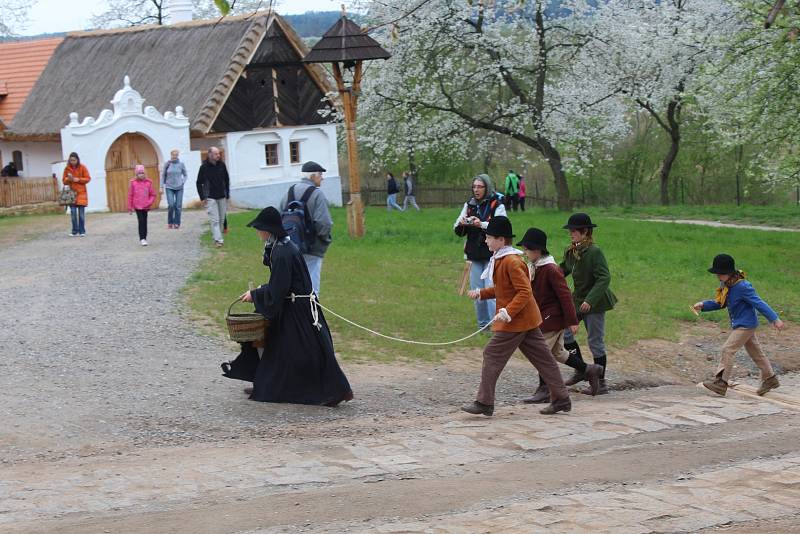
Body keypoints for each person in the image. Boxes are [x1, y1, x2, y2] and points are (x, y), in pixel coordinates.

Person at [231, 206, 353, 406]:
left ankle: (328, 391)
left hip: (297, 309)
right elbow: (282, 282)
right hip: (295, 305)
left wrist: (254, 294)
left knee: (304, 351)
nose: (257, 232)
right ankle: (267, 384)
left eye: (259, 228)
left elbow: (279, 290)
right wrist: (262, 289)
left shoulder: (282, 252)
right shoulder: (281, 247)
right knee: (281, 350)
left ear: (268, 230)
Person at [462, 216, 572, 416]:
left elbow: (524, 292)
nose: (486, 241)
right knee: (544, 359)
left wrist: (507, 312)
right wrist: (482, 293)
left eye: (489, 238)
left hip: (517, 321)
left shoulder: (512, 261)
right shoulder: (501, 259)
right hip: (526, 320)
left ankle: (485, 402)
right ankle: (562, 398)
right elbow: (504, 289)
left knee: (491, 354)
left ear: (501, 240)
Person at [517, 228, 602, 402]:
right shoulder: (535, 267)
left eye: (527, 249)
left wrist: (572, 321)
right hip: (545, 315)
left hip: (552, 318)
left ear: (537, 250)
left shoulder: (551, 269)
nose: (525, 253)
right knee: (558, 352)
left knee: (541, 352)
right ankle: (589, 370)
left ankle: (544, 389)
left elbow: (565, 296)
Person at [693, 254, 785, 396]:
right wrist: (703, 305)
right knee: (756, 353)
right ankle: (770, 379)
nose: (717, 276)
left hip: (745, 325)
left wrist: (775, 319)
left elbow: (759, 303)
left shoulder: (742, 286)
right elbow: (721, 303)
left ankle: (721, 383)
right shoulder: (726, 285)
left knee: (727, 350)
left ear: (728, 273)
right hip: (741, 325)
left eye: (719, 273)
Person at [560, 213, 617, 395]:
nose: (571, 234)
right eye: (570, 231)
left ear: (585, 231)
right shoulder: (572, 251)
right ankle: (581, 370)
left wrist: (590, 301)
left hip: (596, 301)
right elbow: (564, 269)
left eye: (574, 231)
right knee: (566, 334)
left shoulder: (594, 251)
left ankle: (601, 383)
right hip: (579, 300)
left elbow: (604, 277)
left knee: (595, 341)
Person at [454, 174, 506, 329]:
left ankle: (496, 325)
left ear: (487, 187)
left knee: (491, 292)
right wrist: (463, 223)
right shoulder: (469, 205)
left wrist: (481, 224)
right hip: (474, 254)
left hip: (493, 255)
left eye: (480, 187)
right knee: (477, 292)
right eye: (474, 186)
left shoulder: (497, 204)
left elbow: (502, 226)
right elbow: (456, 226)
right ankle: (483, 326)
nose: (476, 190)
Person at [280, 161, 333, 295]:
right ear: (313, 176)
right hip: (312, 247)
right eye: (320, 174)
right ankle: (312, 314)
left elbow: (279, 216)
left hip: (290, 245)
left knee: (294, 284)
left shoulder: (289, 192)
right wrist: (324, 239)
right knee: (312, 287)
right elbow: (324, 223)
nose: (322, 177)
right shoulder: (317, 194)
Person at [196, 147, 230, 247]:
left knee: (221, 219)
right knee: (215, 219)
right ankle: (219, 240)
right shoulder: (204, 167)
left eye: (219, 154)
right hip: (210, 196)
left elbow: (227, 180)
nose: (218, 156)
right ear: (210, 154)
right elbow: (198, 183)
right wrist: (202, 197)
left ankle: (216, 237)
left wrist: (227, 194)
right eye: (216, 154)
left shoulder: (222, 165)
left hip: (222, 195)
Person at [62, 152, 91, 237]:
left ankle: (82, 231)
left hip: (81, 193)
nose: (72, 162)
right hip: (71, 194)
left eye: (74, 160)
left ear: (77, 159)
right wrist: (69, 179)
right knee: (73, 213)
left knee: (81, 214)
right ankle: (74, 231)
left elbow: (88, 178)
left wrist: (78, 179)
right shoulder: (67, 169)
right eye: (71, 160)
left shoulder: (83, 167)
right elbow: (63, 180)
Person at [128, 164, 157, 246]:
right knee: (140, 221)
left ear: (145, 173)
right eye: (139, 173)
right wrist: (130, 207)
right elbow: (130, 195)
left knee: (145, 221)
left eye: (142, 173)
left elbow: (153, 194)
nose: (141, 175)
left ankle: (145, 237)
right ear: (136, 174)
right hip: (137, 206)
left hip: (145, 206)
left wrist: (149, 202)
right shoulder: (133, 183)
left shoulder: (148, 183)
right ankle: (142, 238)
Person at [162, 149, 187, 229]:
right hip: (169, 187)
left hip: (179, 187)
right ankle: (170, 222)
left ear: (178, 155)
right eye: (173, 155)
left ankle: (177, 223)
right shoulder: (167, 164)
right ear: (171, 155)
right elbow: (163, 175)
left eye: (176, 155)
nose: (174, 156)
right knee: (171, 205)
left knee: (178, 206)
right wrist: (161, 186)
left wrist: (183, 181)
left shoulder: (181, 164)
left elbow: (185, 175)